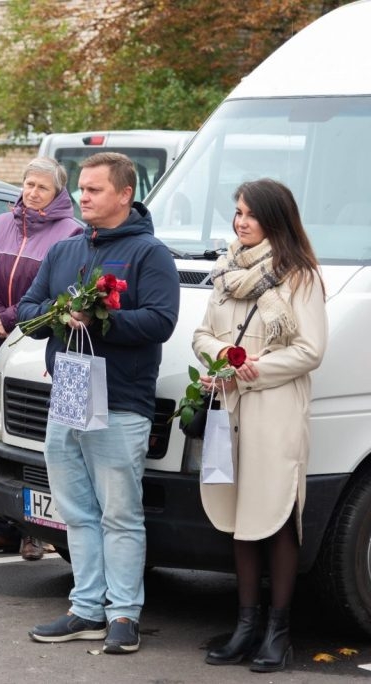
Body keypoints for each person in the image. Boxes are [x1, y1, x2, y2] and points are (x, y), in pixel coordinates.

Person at [22, 152, 179, 653]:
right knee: (76, 511)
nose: (82, 197)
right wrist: (59, 312)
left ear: (124, 195)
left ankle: (124, 616)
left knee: (119, 513)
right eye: (82, 189)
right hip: (67, 394)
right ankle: (86, 608)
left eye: (93, 190)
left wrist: (101, 319)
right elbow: (27, 310)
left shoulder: (148, 253)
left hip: (120, 401)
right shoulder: (65, 250)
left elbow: (161, 322)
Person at [194, 179, 326, 673]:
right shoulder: (227, 271)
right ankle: (245, 627)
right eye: (238, 212)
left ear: (275, 219)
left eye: (250, 214)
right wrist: (223, 360)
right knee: (239, 519)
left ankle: (278, 631)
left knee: (274, 516)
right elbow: (203, 333)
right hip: (230, 407)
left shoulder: (301, 277)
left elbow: (310, 351)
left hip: (275, 411)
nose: (240, 221)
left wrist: (251, 369)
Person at [0, 157, 83, 560]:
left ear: (58, 194)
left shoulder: (71, 234)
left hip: (42, 351)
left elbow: (62, 294)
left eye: (42, 188)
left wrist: (12, 317)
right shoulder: (0, 225)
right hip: (0, 350)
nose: (32, 193)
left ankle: (39, 532)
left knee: (42, 445)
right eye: (29, 184)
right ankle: (3, 528)